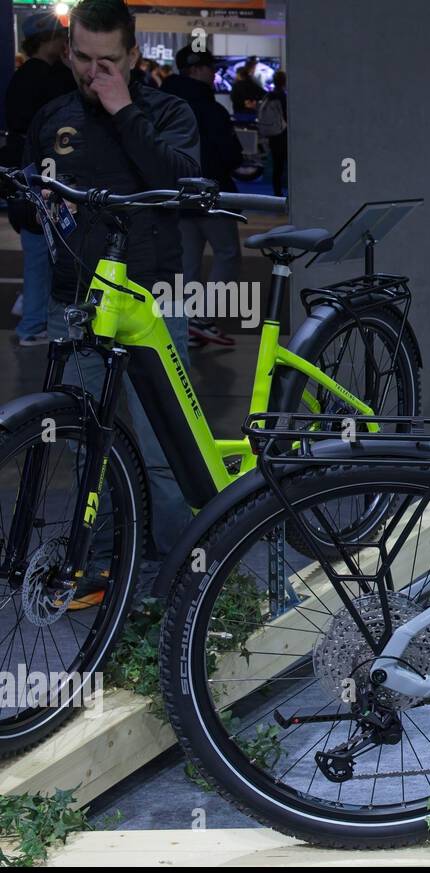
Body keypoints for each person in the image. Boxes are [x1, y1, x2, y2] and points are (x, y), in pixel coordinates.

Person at [20, 0, 200, 565]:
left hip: (152, 298)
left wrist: (124, 111)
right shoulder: (52, 119)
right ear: (68, 51)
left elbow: (181, 185)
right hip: (74, 300)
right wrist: (38, 203)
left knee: (163, 443)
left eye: (109, 61)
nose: (95, 73)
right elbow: (24, 215)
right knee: (83, 440)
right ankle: (97, 559)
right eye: (84, 59)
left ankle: (180, 566)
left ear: (133, 55)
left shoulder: (169, 111)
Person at [161, 44, 244, 348]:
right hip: (212, 193)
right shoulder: (211, 109)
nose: (214, 74)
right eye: (210, 68)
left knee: (187, 262)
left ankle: (186, 324)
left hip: (177, 194)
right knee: (227, 254)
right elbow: (230, 155)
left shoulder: (163, 105)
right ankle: (203, 317)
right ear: (196, 70)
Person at [4, 13, 76, 348]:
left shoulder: (23, 77)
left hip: (25, 173)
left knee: (39, 247)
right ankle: (33, 321)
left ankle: (31, 310)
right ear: (49, 40)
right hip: (41, 172)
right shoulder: (48, 79)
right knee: (45, 248)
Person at [259, 70, 288, 196]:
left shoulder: (268, 96)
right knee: (285, 164)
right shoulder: (282, 96)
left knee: (277, 164)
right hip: (283, 133)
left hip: (272, 134)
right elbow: (286, 115)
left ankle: (277, 192)